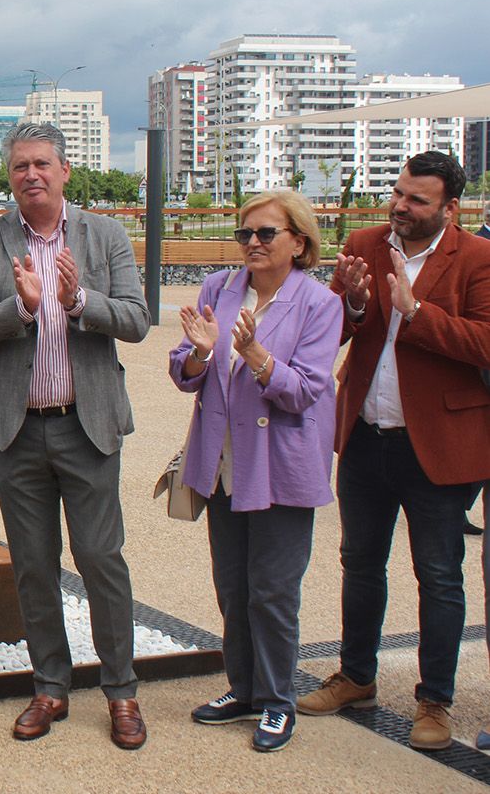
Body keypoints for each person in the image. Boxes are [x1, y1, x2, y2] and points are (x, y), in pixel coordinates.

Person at [0, 123, 151, 749]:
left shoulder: (106, 235)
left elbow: (138, 320)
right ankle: (50, 687)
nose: (31, 175)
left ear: (65, 171)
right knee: (34, 566)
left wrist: (76, 299)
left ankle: (121, 692)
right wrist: (22, 309)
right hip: (16, 432)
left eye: (42, 164)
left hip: (86, 427)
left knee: (100, 559)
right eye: (20, 167)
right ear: (9, 176)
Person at [298, 151, 490, 751]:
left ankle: (435, 700)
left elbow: (485, 343)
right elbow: (333, 329)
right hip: (365, 435)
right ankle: (357, 675)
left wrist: (418, 312)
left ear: (450, 208)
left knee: (437, 575)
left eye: (417, 200)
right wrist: (352, 304)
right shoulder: (366, 241)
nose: (400, 207)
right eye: (398, 193)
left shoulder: (479, 258)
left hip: (437, 446)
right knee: (359, 561)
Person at [169, 190, 342, 753]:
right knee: (233, 585)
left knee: (272, 591)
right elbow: (186, 372)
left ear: (299, 240)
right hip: (221, 465)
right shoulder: (219, 289)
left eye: (266, 233)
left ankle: (276, 701)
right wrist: (199, 353)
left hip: (280, 468)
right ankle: (242, 689)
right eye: (245, 233)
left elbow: (309, 392)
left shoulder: (319, 304)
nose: (252, 244)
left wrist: (259, 357)